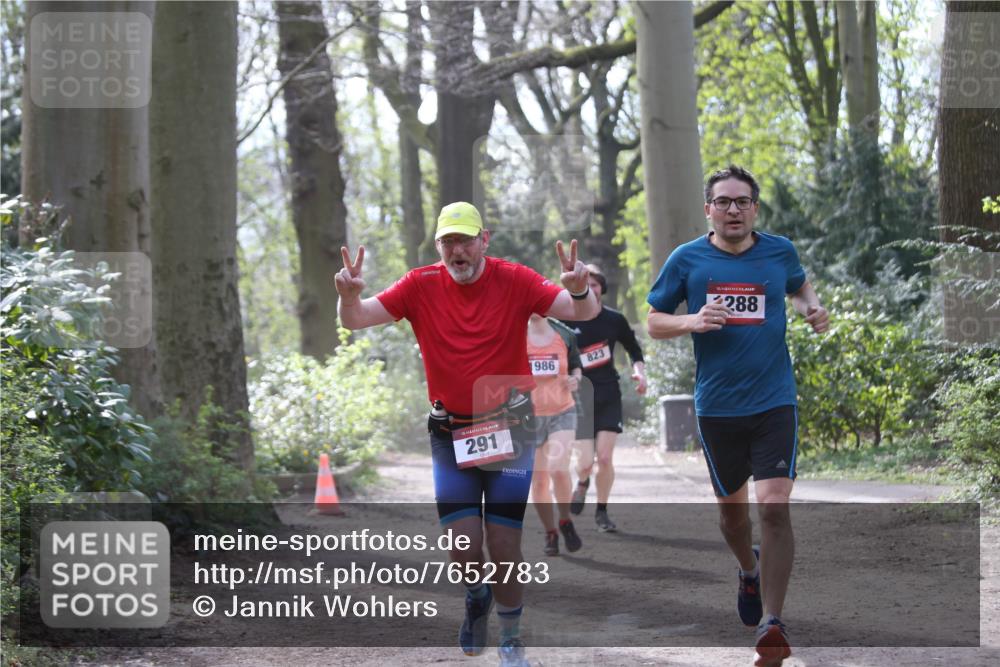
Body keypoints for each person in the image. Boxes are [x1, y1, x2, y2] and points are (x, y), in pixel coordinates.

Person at [335, 201, 599, 667]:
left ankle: (512, 638)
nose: (457, 251)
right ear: (438, 246)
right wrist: (350, 296)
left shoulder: (514, 278)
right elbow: (355, 319)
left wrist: (579, 291)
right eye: (448, 242)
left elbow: (581, 312)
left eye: (465, 240)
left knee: (503, 543)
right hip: (450, 430)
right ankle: (477, 595)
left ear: (485, 239)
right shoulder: (420, 285)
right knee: (462, 544)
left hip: (511, 428)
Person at [645, 165, 829, 667]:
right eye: (723, 202)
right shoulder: (688, 259)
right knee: (732, 517)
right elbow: (654, 321)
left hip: (775, 401)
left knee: (773, 507)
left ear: (754, 208)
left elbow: (799, 285)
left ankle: (773, 623)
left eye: (742, 201)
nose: (733, 210)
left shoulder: (778, 251)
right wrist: (692, 320)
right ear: (708, 209)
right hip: (718, 407)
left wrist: (813, 308)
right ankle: (746, 570)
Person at [559, 265, 647, 532]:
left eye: (595, 284)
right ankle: (583, 481)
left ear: (601, 289)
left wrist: (639, 374)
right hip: (578, 398)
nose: (591, 288)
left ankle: (602, 512)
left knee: (606, 458)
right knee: (585, 462)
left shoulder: (614, 320)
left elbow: (634, 351)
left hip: (609, 393)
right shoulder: (565, 321)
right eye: (587, 284)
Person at [526, 313, 584, 556]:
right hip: (528, 417)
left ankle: (564, 519)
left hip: (562, 411)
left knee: (558, 469)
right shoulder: (512, 333)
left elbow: (576, 366)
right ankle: (550, 531)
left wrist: (575, 380)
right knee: (539, 482)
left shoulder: (565, 334)